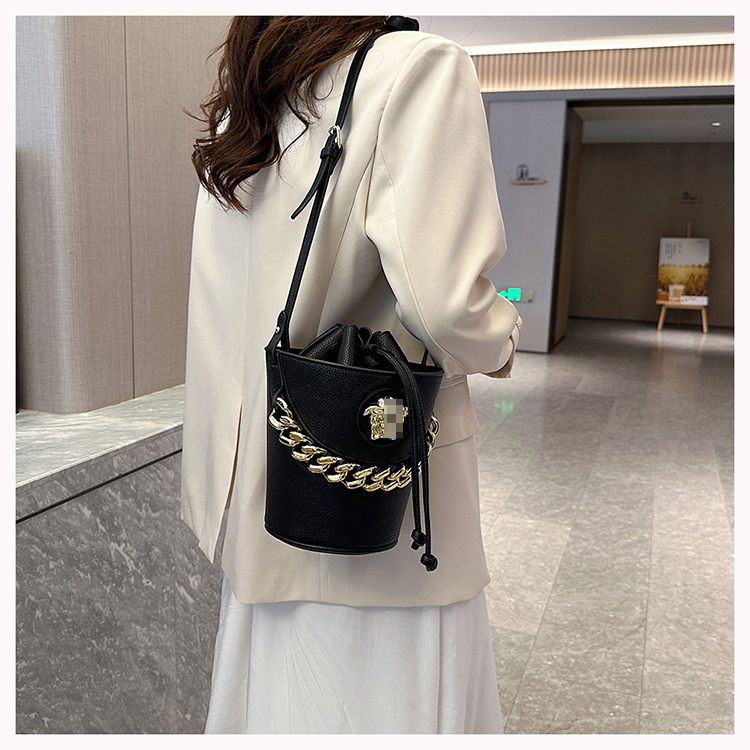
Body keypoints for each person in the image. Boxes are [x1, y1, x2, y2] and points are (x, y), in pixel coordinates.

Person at [181, 15, 522, 734]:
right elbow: (448, 303)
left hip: (261, 480)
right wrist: (504, 336)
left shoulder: (253, 100)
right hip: (370, 495)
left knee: (280, 700)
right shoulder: (417, 68)